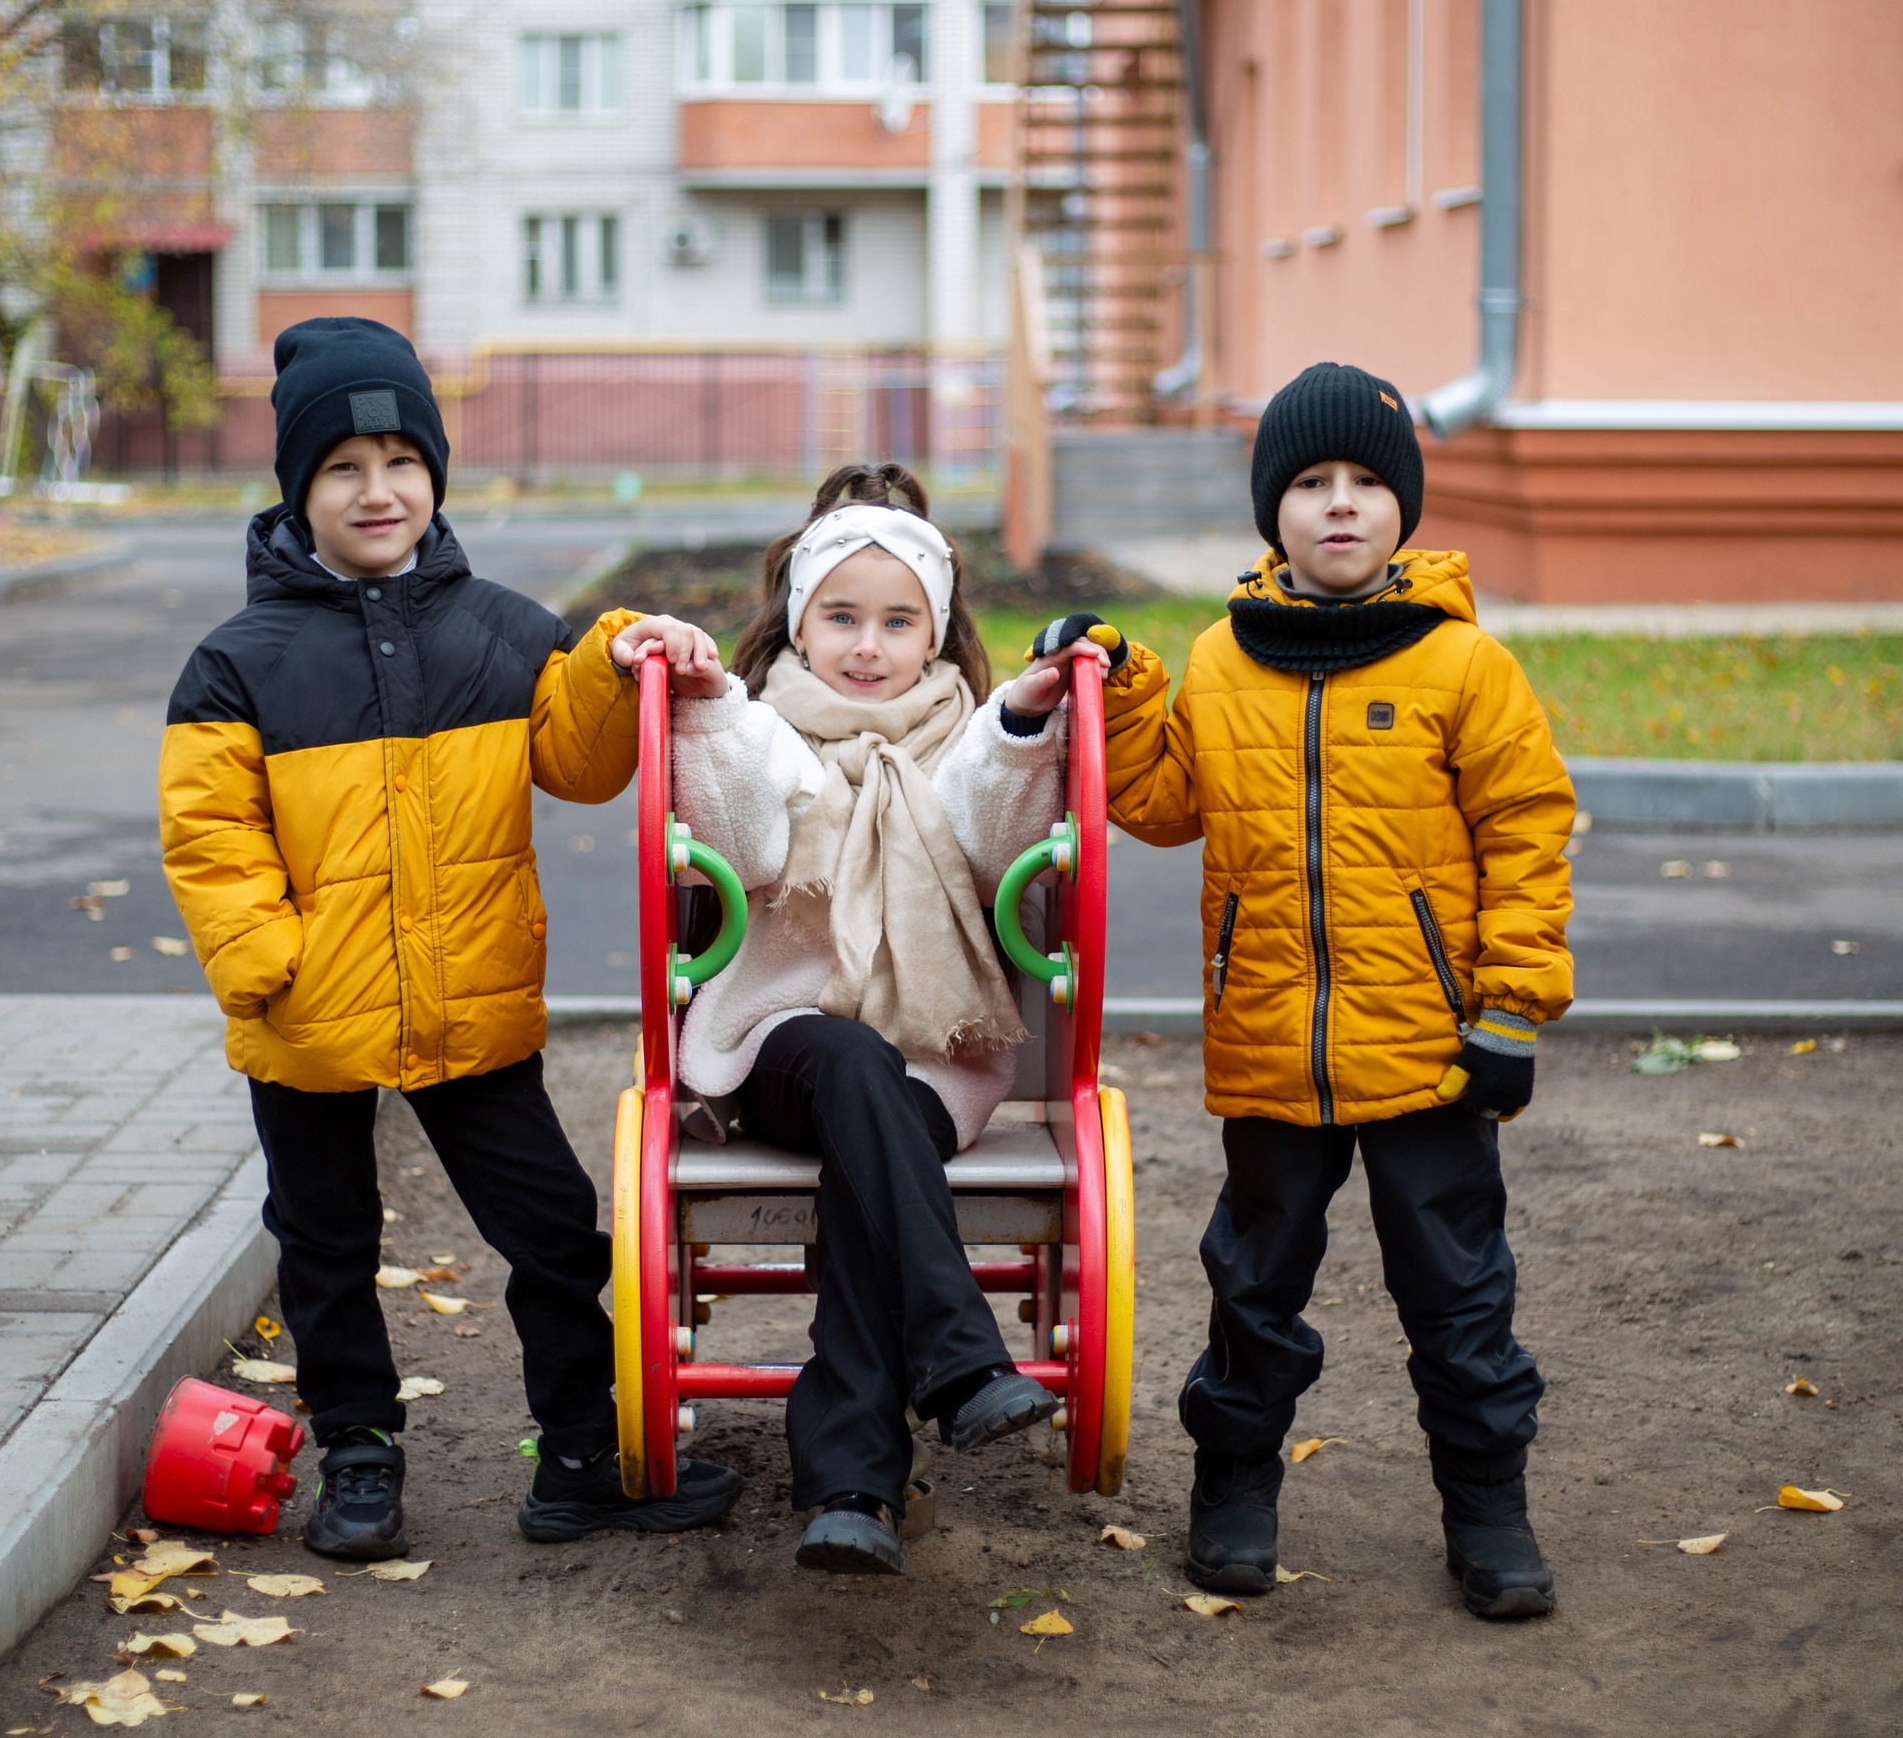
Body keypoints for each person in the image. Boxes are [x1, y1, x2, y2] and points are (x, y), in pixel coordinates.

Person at [157, 316, 742, 1561]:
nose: (377, 491)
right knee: (325, 1243)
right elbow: (209, 832)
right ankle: (358, 1456)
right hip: (310, 1008)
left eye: (400, 462)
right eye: (342, 468)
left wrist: (616, 656)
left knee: (553, 1229)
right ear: (297, 489)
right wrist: (265, 964)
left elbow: (581, 763)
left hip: (471, 995)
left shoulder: (501, 629)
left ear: (434, 472)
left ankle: (580, 1455)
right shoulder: (239, 663)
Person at [1050, 361, 1575, 1617]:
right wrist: (1117, 689)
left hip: (1430, 1052)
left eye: (1364, 484)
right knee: (1253, 1286)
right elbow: (1163, 803)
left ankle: (1488, 1512)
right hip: (1271, 1044)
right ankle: (1234, 1489)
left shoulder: (1464, 667)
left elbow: (1527, 832)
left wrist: (1510, 1009)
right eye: (1308, 484)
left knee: (1458, 1295)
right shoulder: (1222, 659)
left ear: (1403, 508)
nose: (1338, 504)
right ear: (1270, 512)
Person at [661, 463, 1110, 1576]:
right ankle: (959, 1357)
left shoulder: (971, 739)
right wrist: (707, 707)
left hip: (930, 1063)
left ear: (937, 633)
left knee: (880, 1139)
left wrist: (1025, 723)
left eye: (899, 621)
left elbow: (999, 846)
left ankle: (853, 1490)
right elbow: (739, 843)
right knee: (853, 1064)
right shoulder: (762, 729)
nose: (868, 646)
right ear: (798, 623)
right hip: (780, 1041)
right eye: (842, 618)